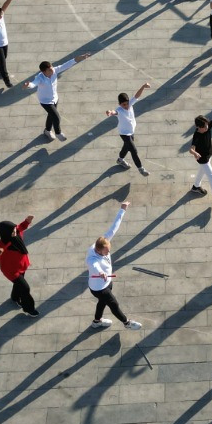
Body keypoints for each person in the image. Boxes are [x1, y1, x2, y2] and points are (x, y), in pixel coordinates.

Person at [85, 201, 143, 330]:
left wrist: (122, 209)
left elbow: (114, 227)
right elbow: (95, 266)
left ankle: (96, 322)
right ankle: (127, 323)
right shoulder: (92, 258)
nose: (108, 253)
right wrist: (101, 273)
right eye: (106, 252)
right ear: (98, 250)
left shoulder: (103, 242)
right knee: (113, 304)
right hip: (99, 288)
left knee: (102, 302)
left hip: (107, 281)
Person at [26, 53, 93, 139]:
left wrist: (81, 57)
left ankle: (47, 131)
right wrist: (28, 85)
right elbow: (33, 84)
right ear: (44, 72)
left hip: (55, 98)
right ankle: (58, 133)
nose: (52, 70)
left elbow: (67, 64)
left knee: (51, 115)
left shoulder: (54, 70)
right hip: (45, 101)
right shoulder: (40, 78)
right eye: (49, 70)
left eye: (52, 67)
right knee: (56, 117)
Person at [106, 82, 152, 174]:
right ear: (119, 104)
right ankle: (141, 168)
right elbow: (114, 112)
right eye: (124, 105)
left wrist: (143, 86)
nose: (126, 106)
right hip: (124, 133)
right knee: (133, 150)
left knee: (126, 147)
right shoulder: (119, 110)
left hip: (131, 131)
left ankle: (120, 160)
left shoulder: (130, 104)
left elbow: (137, 95)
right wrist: (110, 112)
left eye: (127, 104)